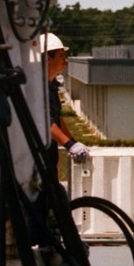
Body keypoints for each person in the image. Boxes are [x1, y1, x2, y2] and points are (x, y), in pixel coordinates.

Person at [44, 34, 89, 167]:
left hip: (49, 156)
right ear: (48, 59)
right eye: (61, 55)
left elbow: (56, 119)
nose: (66, 59)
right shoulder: (38, 88)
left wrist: (73, 142)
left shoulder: (50, 86)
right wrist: (69, 145)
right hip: (39, 157)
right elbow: (45, 123)